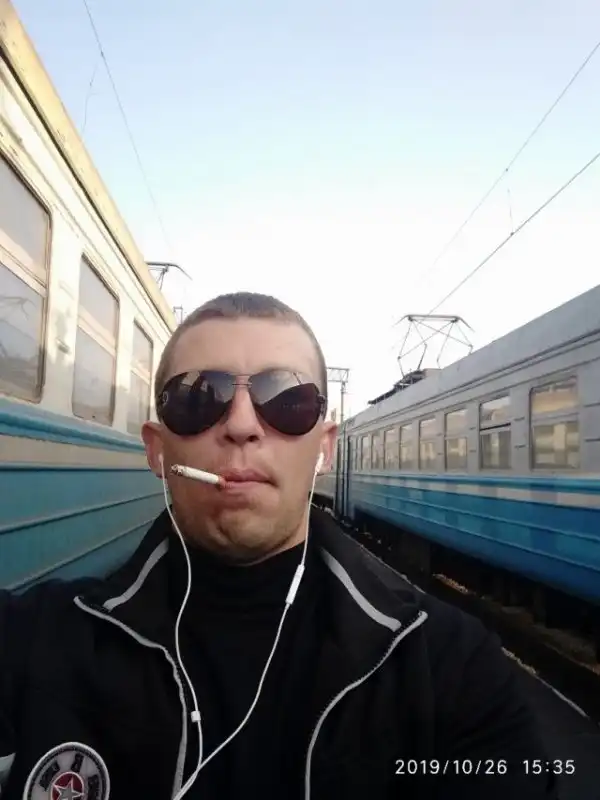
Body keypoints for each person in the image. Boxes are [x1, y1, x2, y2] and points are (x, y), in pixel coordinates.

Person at [0, 292, 557, 800]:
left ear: (325, 447)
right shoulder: (33, 644)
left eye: (287, 401)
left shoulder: (450, 668)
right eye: (198, 398)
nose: (242, 425)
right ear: (156, 449)